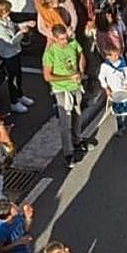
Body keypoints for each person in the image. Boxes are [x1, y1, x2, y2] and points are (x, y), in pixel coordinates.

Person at [41, 24, 91, 171]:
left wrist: (81, 70)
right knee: (65, 122)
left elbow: (81, 54)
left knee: (77, 114)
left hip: (75, 87)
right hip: (61, 90)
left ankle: (77, 140)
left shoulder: (72, 43)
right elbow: (47, 76)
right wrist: (69, 76)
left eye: (66, 38)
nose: (65, 41)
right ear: (55, 39)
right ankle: (68, 153)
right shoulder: (50, 53)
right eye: (61, 39)